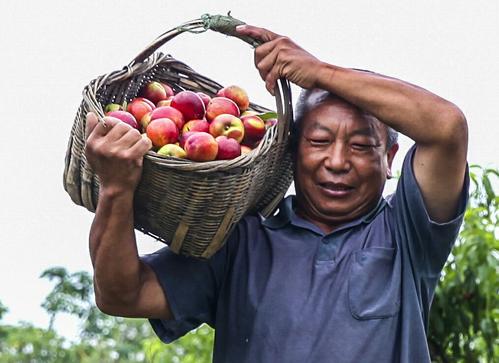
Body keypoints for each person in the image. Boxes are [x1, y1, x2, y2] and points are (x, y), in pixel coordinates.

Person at [84, 24, 469, 363]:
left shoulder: (407, 235)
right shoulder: (241, 243)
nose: (337, 161)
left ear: (389, 159)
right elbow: (122, 294)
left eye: (361, 146)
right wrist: (116, 190)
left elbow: (446, 127)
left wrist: (318, 73)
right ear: (291, 150)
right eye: (319, 141)